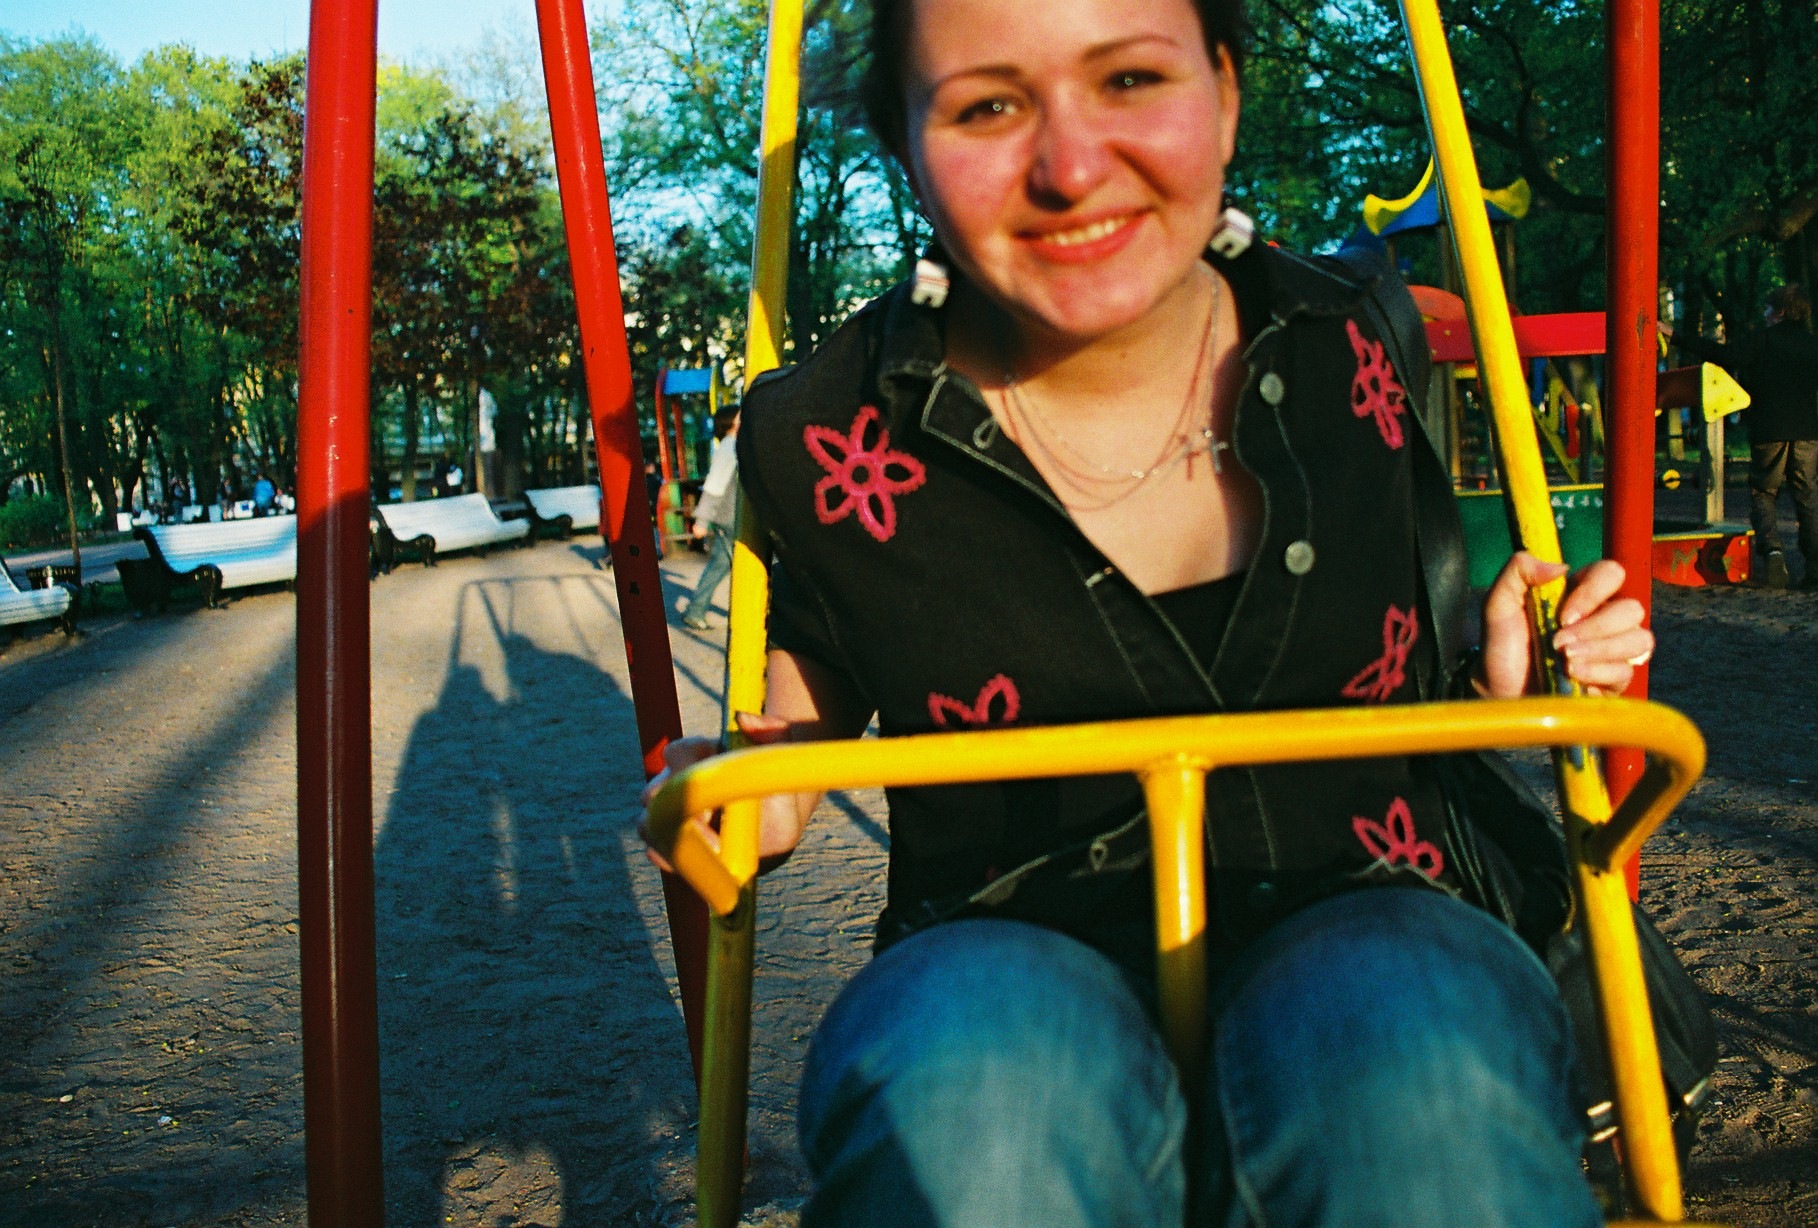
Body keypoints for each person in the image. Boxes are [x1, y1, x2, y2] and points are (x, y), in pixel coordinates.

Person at [644, 1, 1654, 1223]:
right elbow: (822, 655)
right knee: (967, 1099)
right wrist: (764, 787)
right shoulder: (827, 429)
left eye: (1129, 79)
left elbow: (1400, 650)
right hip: (1010, 935)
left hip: (1365, 894)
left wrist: (1511, 679)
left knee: (1418, 1067)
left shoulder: (1347, 345)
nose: (1072, 167)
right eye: (986, 106)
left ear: (1225, 92)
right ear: (904, 144)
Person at [1673, 283, 1818, 589]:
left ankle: (1773, 551)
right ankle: (1814, 566)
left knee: (1764, 493)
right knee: (1808, 496)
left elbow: (1722, 354)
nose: (1765, 314)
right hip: (1807, 431)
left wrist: (1675, 335)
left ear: (1780, 312)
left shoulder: (1762, 340)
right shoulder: (1811, 344)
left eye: (1768, 308)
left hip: (1769, 430)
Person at [682, 407, 741, 630]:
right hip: (731, 518)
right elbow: (714, 486)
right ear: (730, 422)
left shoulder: (732, 445)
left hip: (729, 517)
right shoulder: (729, 447)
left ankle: (695, 611)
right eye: (740, 416)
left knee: (719, 566)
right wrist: (702, 521)